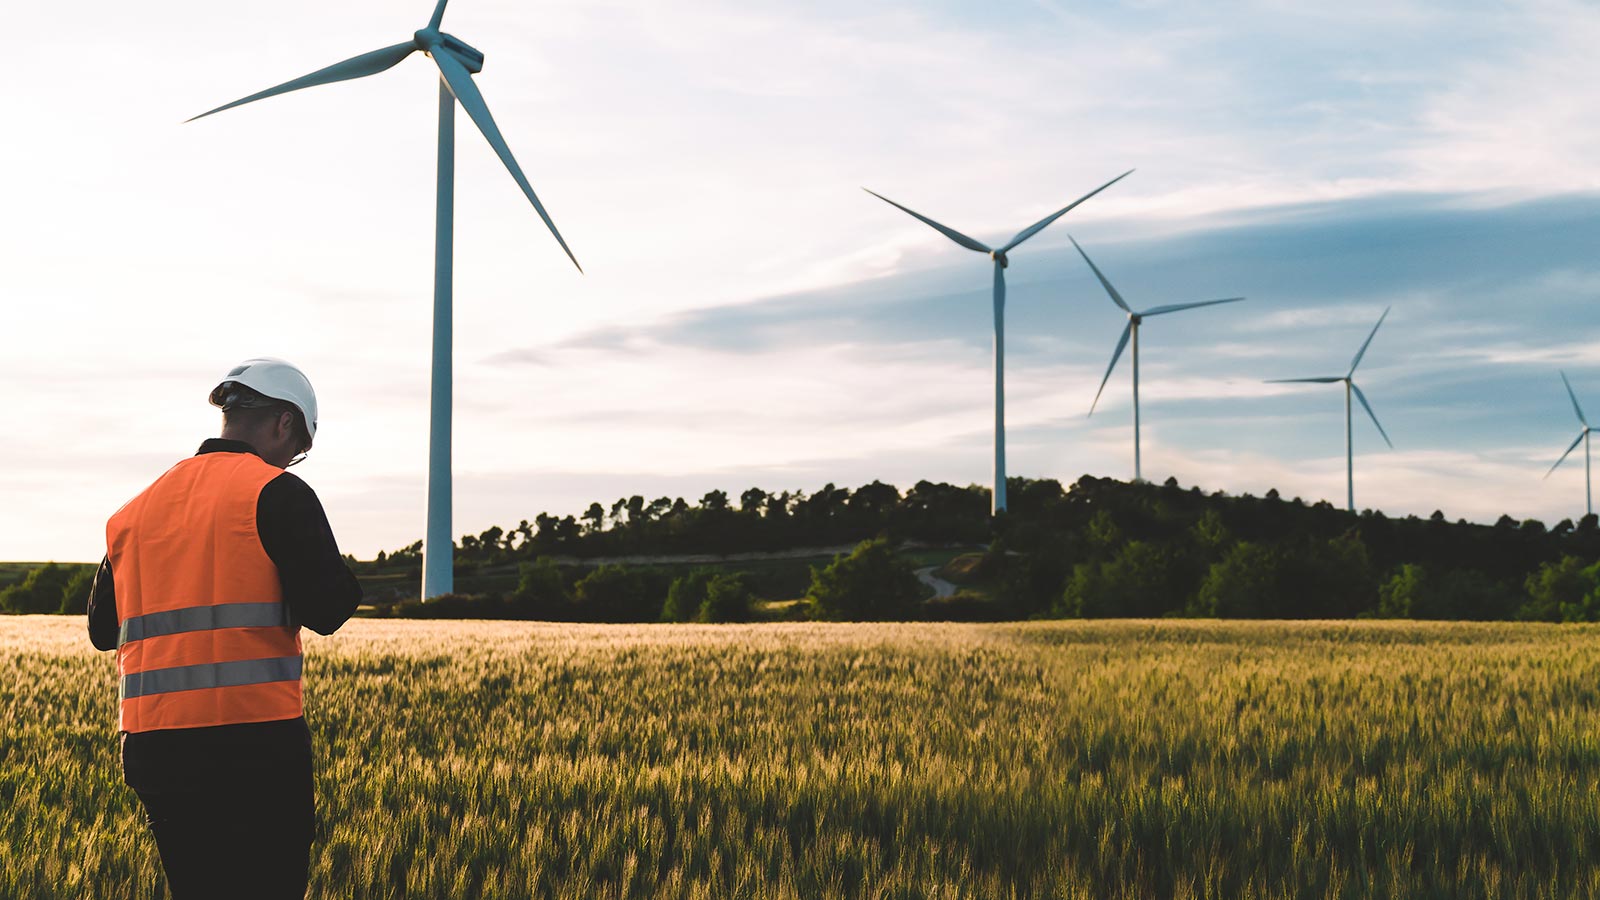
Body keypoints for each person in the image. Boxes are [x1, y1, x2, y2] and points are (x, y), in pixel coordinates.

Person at [87, 358, 362, 899]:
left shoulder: (134, 512)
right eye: (299, 444)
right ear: (284, 422)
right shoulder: (277, 492)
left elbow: (102, 630)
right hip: (253, 743)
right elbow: (329, 609)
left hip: (153, 748)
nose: (294, 458)